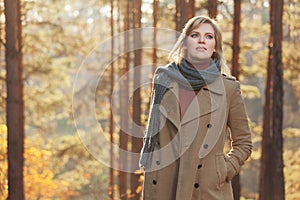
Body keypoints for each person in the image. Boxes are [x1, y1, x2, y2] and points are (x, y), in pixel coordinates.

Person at [139, 15, 252, 200]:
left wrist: (222, 171)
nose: (201, 40)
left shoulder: (228, 88)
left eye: (209, 36)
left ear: (215, 46)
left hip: (206, 188)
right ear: (184, 43)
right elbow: (156, 136)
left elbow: (244, 143)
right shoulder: (164, 80)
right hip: (164, 184)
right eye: (195, 35)